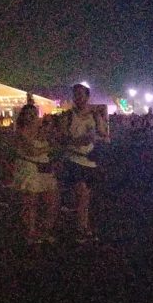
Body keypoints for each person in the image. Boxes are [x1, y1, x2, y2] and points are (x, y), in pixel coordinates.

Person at [59, 83, 108, 242]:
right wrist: (78, 141)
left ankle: (80, 223)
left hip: (90, 160)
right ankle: (81, 228)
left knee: (85, 197)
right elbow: (62, 138)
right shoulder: (67, 116)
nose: (78, 98)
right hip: (74, 159)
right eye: (75, 95)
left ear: (87, 96)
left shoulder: (95, 115)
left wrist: (96, 136)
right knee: (82, 194)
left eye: (81, 94)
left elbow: (104, 134)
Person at [12, 106, 59, 244]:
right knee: (31, 202)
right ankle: (31, 232)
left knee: (51, 201)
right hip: (29, 168)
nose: (32, 117)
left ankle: (44, 230)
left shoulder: (41, 129)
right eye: (29, 114)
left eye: (34, 114)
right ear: (23, 116)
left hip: (44, 167)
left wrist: (49, 127)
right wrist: (49, 147)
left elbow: (55, 139)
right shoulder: (21, 132)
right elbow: (32, 151)